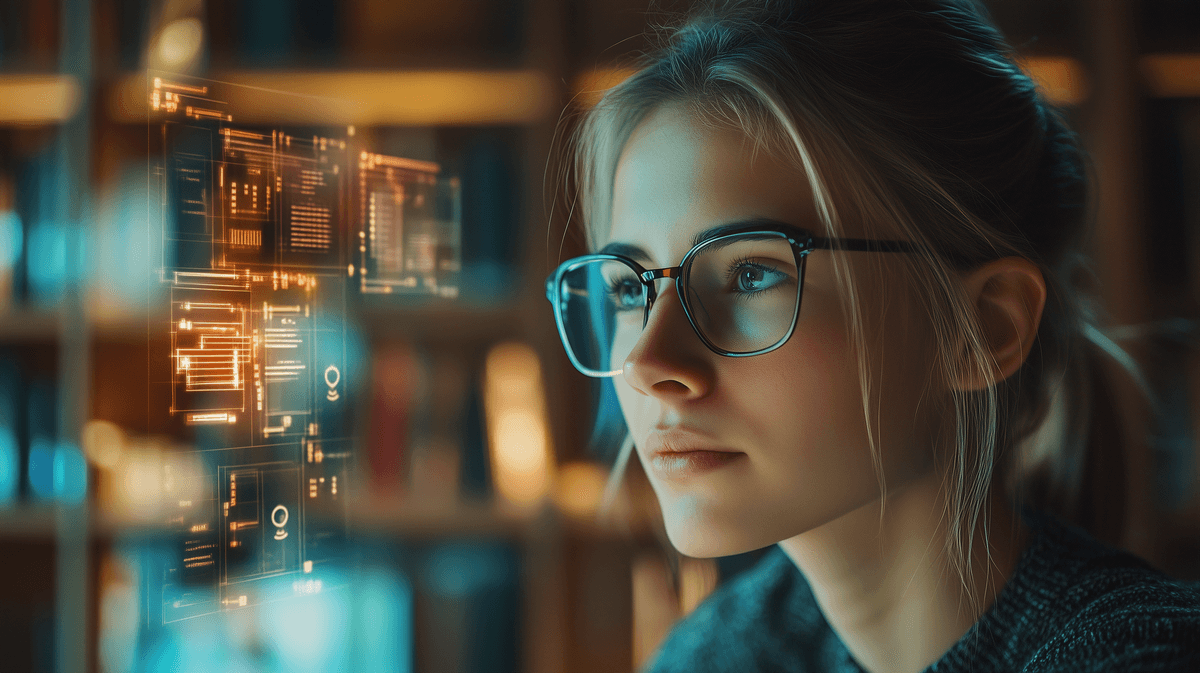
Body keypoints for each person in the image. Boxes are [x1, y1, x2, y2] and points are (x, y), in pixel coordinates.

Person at [544, 0, 1200, 671]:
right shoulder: (714, 655)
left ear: (983, 328)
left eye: (750, 274)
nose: (650, 362)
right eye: (630, 287)